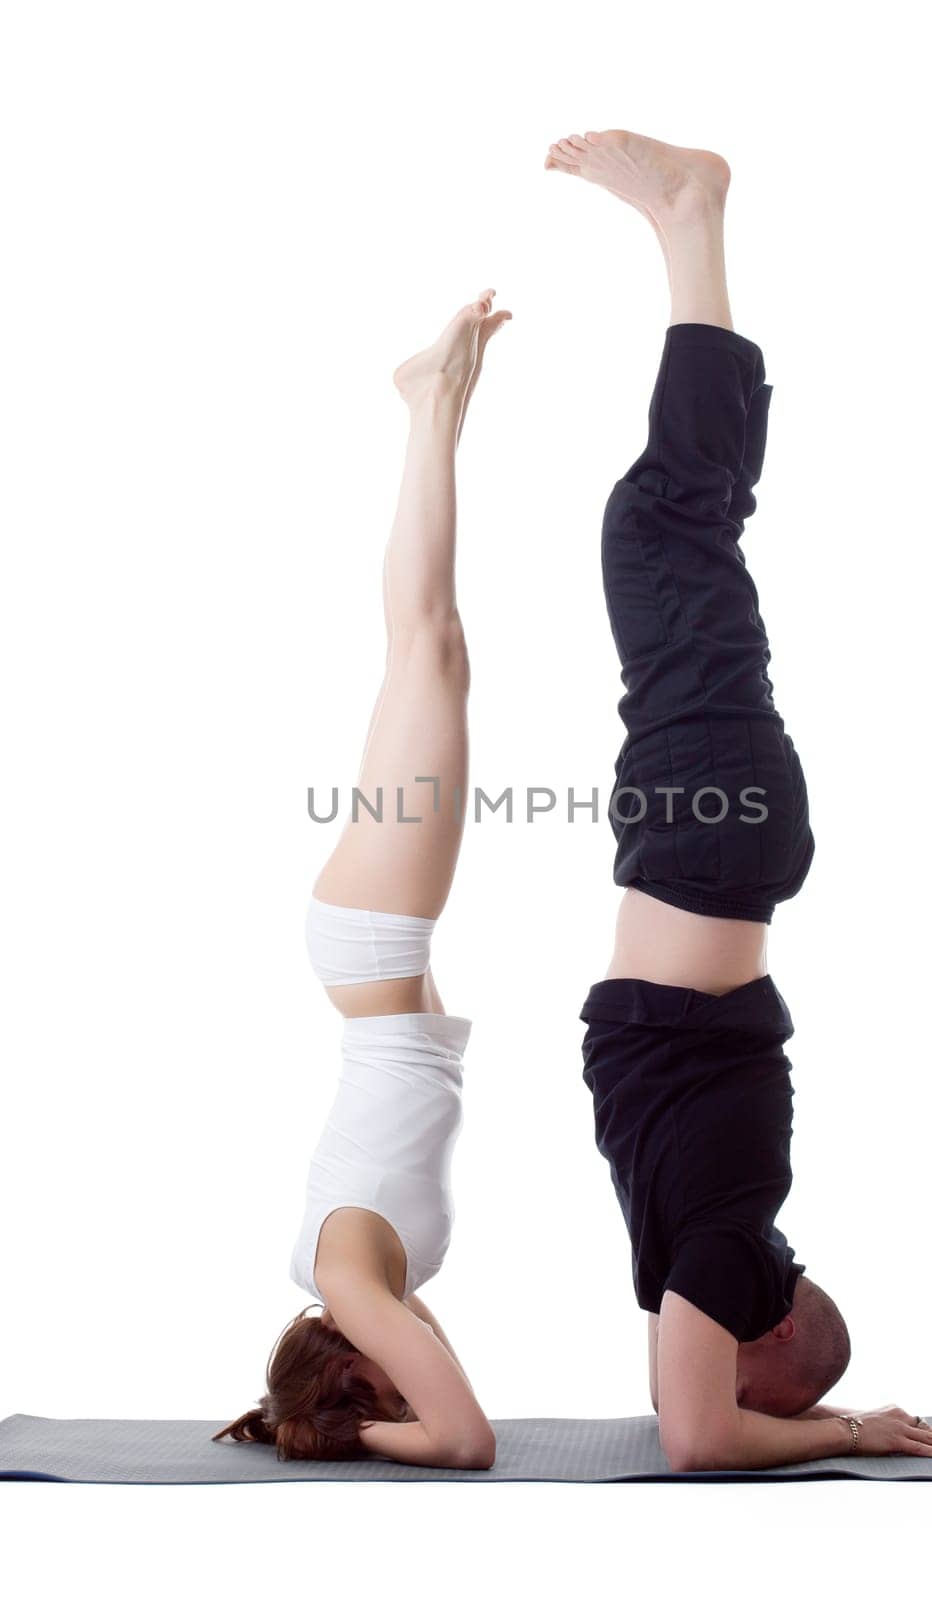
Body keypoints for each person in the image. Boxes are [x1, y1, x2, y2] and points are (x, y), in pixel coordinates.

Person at [547, 129, 932, 1472]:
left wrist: (810, 1414)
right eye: (758, 1386)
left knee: (670, 527)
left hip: (704, 840)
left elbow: (699, 1407)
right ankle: (690, 219)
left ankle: (686, 231)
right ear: (769, 1339)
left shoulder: (718, 1236)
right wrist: (842, 1429)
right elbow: (692, 1440)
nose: (710, 1369)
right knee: (668, 525)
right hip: (705, 833)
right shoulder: (729, 1248)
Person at [213, 290, 511, 1467]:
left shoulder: (351, 1283)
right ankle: (432, 406)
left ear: (352, 1372)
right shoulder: (352, 1282)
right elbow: (439, 1397)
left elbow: (467, 1438)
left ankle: (424, 404)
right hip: (371, 953)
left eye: (375, 1397)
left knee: (427, 643)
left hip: (374, 945)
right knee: (432, 651)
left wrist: (373, 1434)